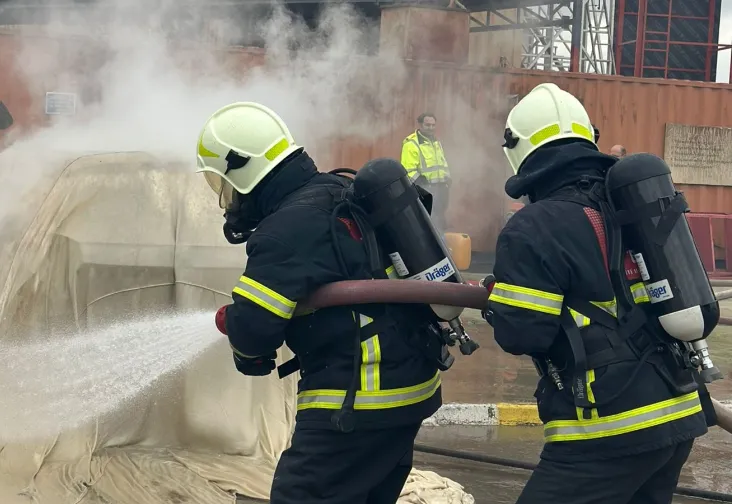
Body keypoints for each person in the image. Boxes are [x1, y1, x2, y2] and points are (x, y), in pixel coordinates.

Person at [196, 102, 446, 504]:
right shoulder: (336, 190)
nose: (223, 198)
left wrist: (243, 340)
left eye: (221, 183)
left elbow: (254, 330)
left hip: (355, 404)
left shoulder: (284, 230)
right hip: (410, 390)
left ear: (242, 170)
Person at [484, 83, 709, 504]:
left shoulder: (533, 225)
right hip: (678, 409)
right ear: (590, 135)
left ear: (517, 148)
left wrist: (500, 301)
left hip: (609, 427)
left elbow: (521, 335)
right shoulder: (627, 200)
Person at [400, 112, 450, 229]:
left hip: (440, 189)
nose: (431, 128)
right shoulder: (411, 144)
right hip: (425, 191)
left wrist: (448, 179)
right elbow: (408, 170)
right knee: (426, 223)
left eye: (433, 125)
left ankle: (440, 245)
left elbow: (442, 164)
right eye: (428, 125)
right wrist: (422, 184)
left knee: (439, 221)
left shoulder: (436, 142)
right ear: (420, 125)